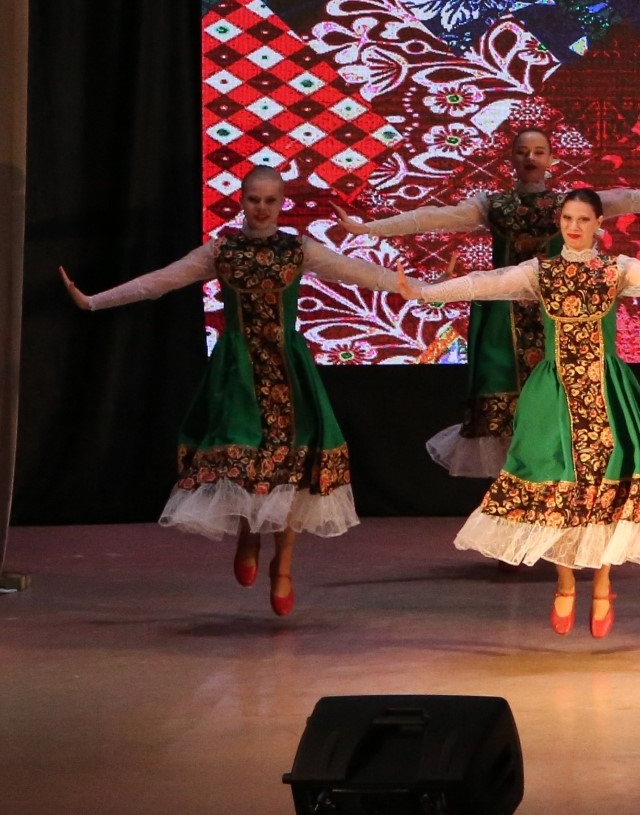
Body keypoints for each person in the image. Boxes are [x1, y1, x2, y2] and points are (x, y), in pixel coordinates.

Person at [402, 190, 640, 637]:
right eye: (566, 218)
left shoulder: (617, 270)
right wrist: (426, 292)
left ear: (599, 223)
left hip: (606, 390)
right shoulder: (540, 271)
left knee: (605, 487)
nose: (573, 227)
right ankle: (564, 584)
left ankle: (601, 584)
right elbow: (485, 283)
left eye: (582, 219)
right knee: (557, 484)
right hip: (553, 393)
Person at [60, 167, 405, 615]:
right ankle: (248, 534)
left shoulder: (298, 250)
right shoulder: (221, 250)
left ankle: (283, 567)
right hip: (239, 372)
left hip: (288, 372)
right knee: (246, 461)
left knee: (293, 467)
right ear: (240, 200)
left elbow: (359, 273)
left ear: (282, 203)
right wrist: (93, 301)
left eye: (270, 200)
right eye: (253, 199)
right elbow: (161, 281)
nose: (261, 208)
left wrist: (419, 288)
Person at [336, 127, 640, 477]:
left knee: (565, 398)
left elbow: (625, 198)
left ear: (552, 159)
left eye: (539, 152)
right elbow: (432, 218)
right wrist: (371, 229)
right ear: (511, 157)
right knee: (504, 403)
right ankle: (515, 488)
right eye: (523, 151)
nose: (531, 157)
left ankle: (563, 481)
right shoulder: (493, 205)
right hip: (502, 315)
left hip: (561, 314)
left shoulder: (570, 205)